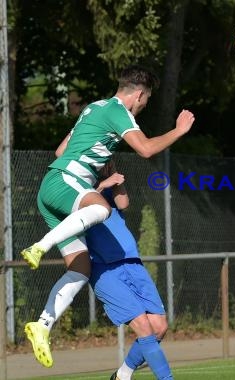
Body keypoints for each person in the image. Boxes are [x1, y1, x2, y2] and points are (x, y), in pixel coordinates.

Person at [22, 65, 195, 368]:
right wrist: (179, 131)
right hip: (64, 182)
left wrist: (97, 153)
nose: (142, 108)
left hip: (52, 191)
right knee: (101, 209)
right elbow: (145, 149)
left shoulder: (93, 108)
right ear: (139, 95)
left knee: (80, 269)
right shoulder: (119, 110)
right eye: (145, 101)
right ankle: (40, 245)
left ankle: (42, 325)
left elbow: (61, 150)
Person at [87, 162, 172, 380]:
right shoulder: (76, 191)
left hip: (131, 262)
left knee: (159, 327)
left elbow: (123, 203)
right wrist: (101, 185)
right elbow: (80, 205)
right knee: (143, 325)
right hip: (103, 268)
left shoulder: (108, 188)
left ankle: (123, 374)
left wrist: (114, 182)